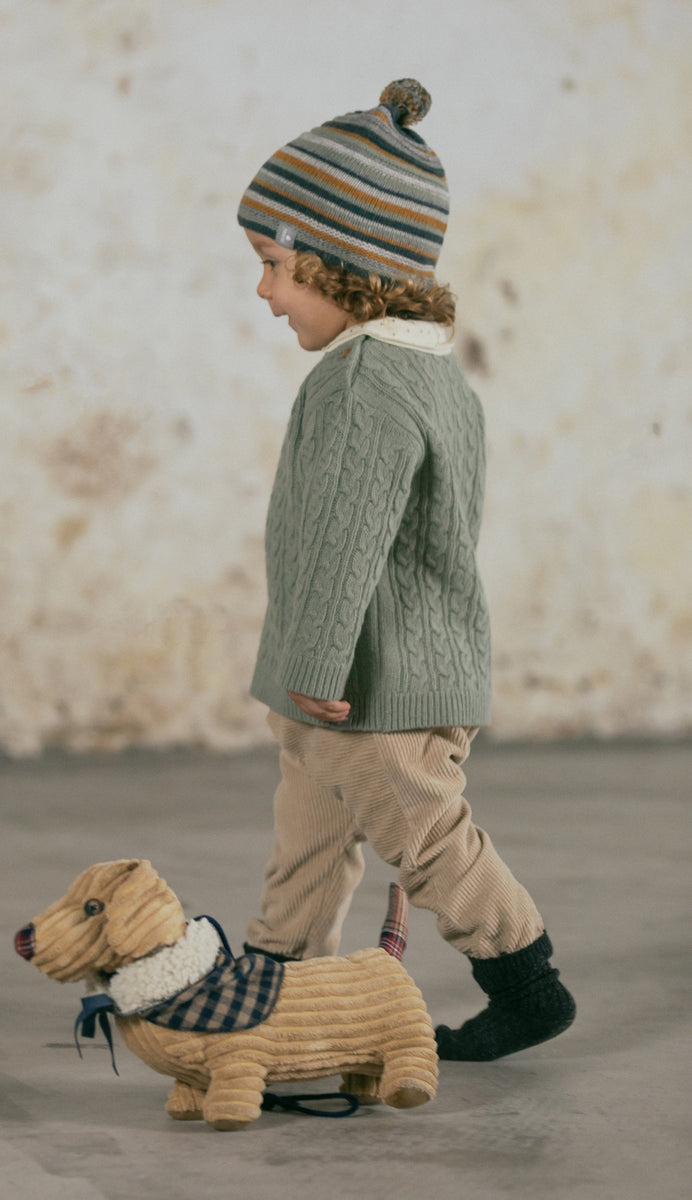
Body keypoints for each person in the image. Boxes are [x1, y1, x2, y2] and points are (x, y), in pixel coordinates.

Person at [236, 78, 575, 1061]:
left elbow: (349, 536)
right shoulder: (432, 374)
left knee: (425, 840)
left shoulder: (360, 384)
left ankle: (524, 977)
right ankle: (277, 981)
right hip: (375, 683)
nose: (263, 293)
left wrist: (318, 661)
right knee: (308, 834)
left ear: (340, 265)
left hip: (366, 690)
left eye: (273, 265)